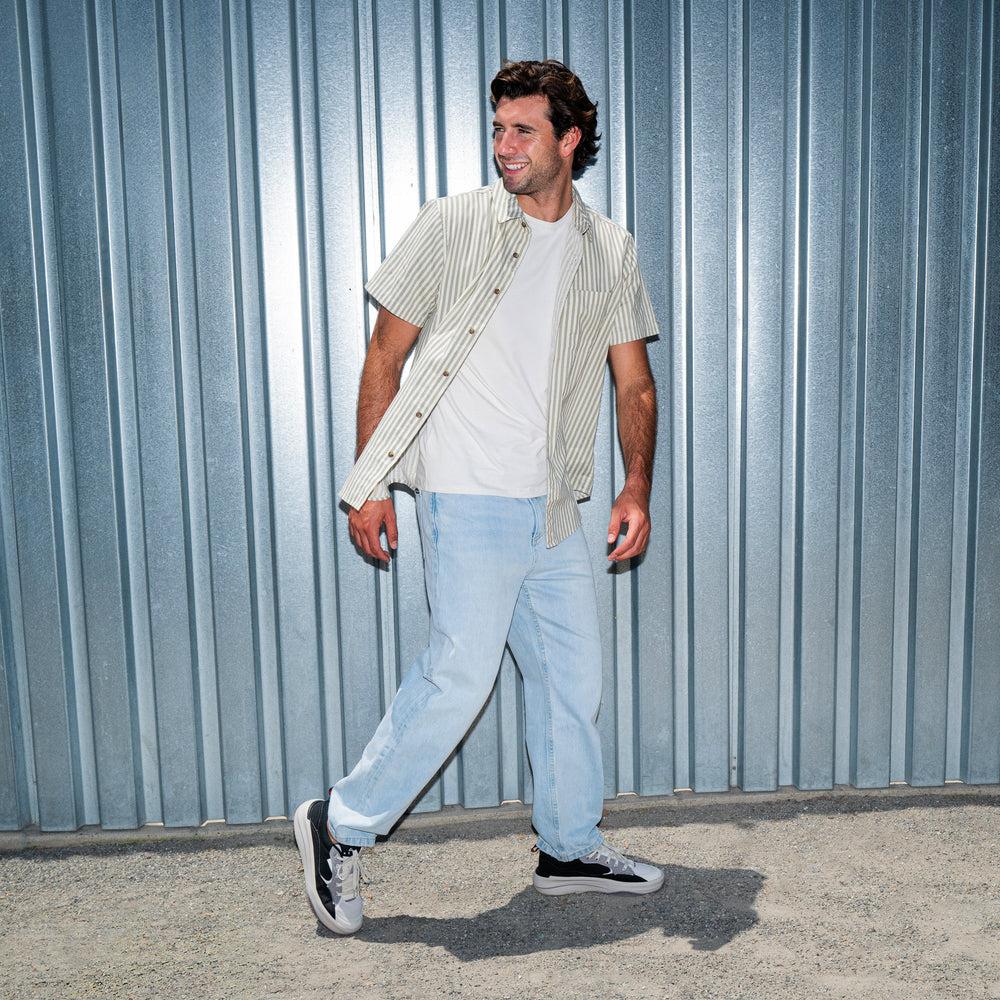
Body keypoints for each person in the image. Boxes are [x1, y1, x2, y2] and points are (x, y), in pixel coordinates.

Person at [293, 59, 661, 935]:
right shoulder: (452, 224)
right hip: (465, 496)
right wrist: (371, 484)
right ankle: (340, 823)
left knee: (572, 681)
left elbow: (634, 384)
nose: (504, 146)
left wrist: (636, 485)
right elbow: (385, 357)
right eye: (498, 129)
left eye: (522, 130)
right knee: (458, 677)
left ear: (569, 140)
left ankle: (568, 848)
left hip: (555, 507)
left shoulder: (609, 250)